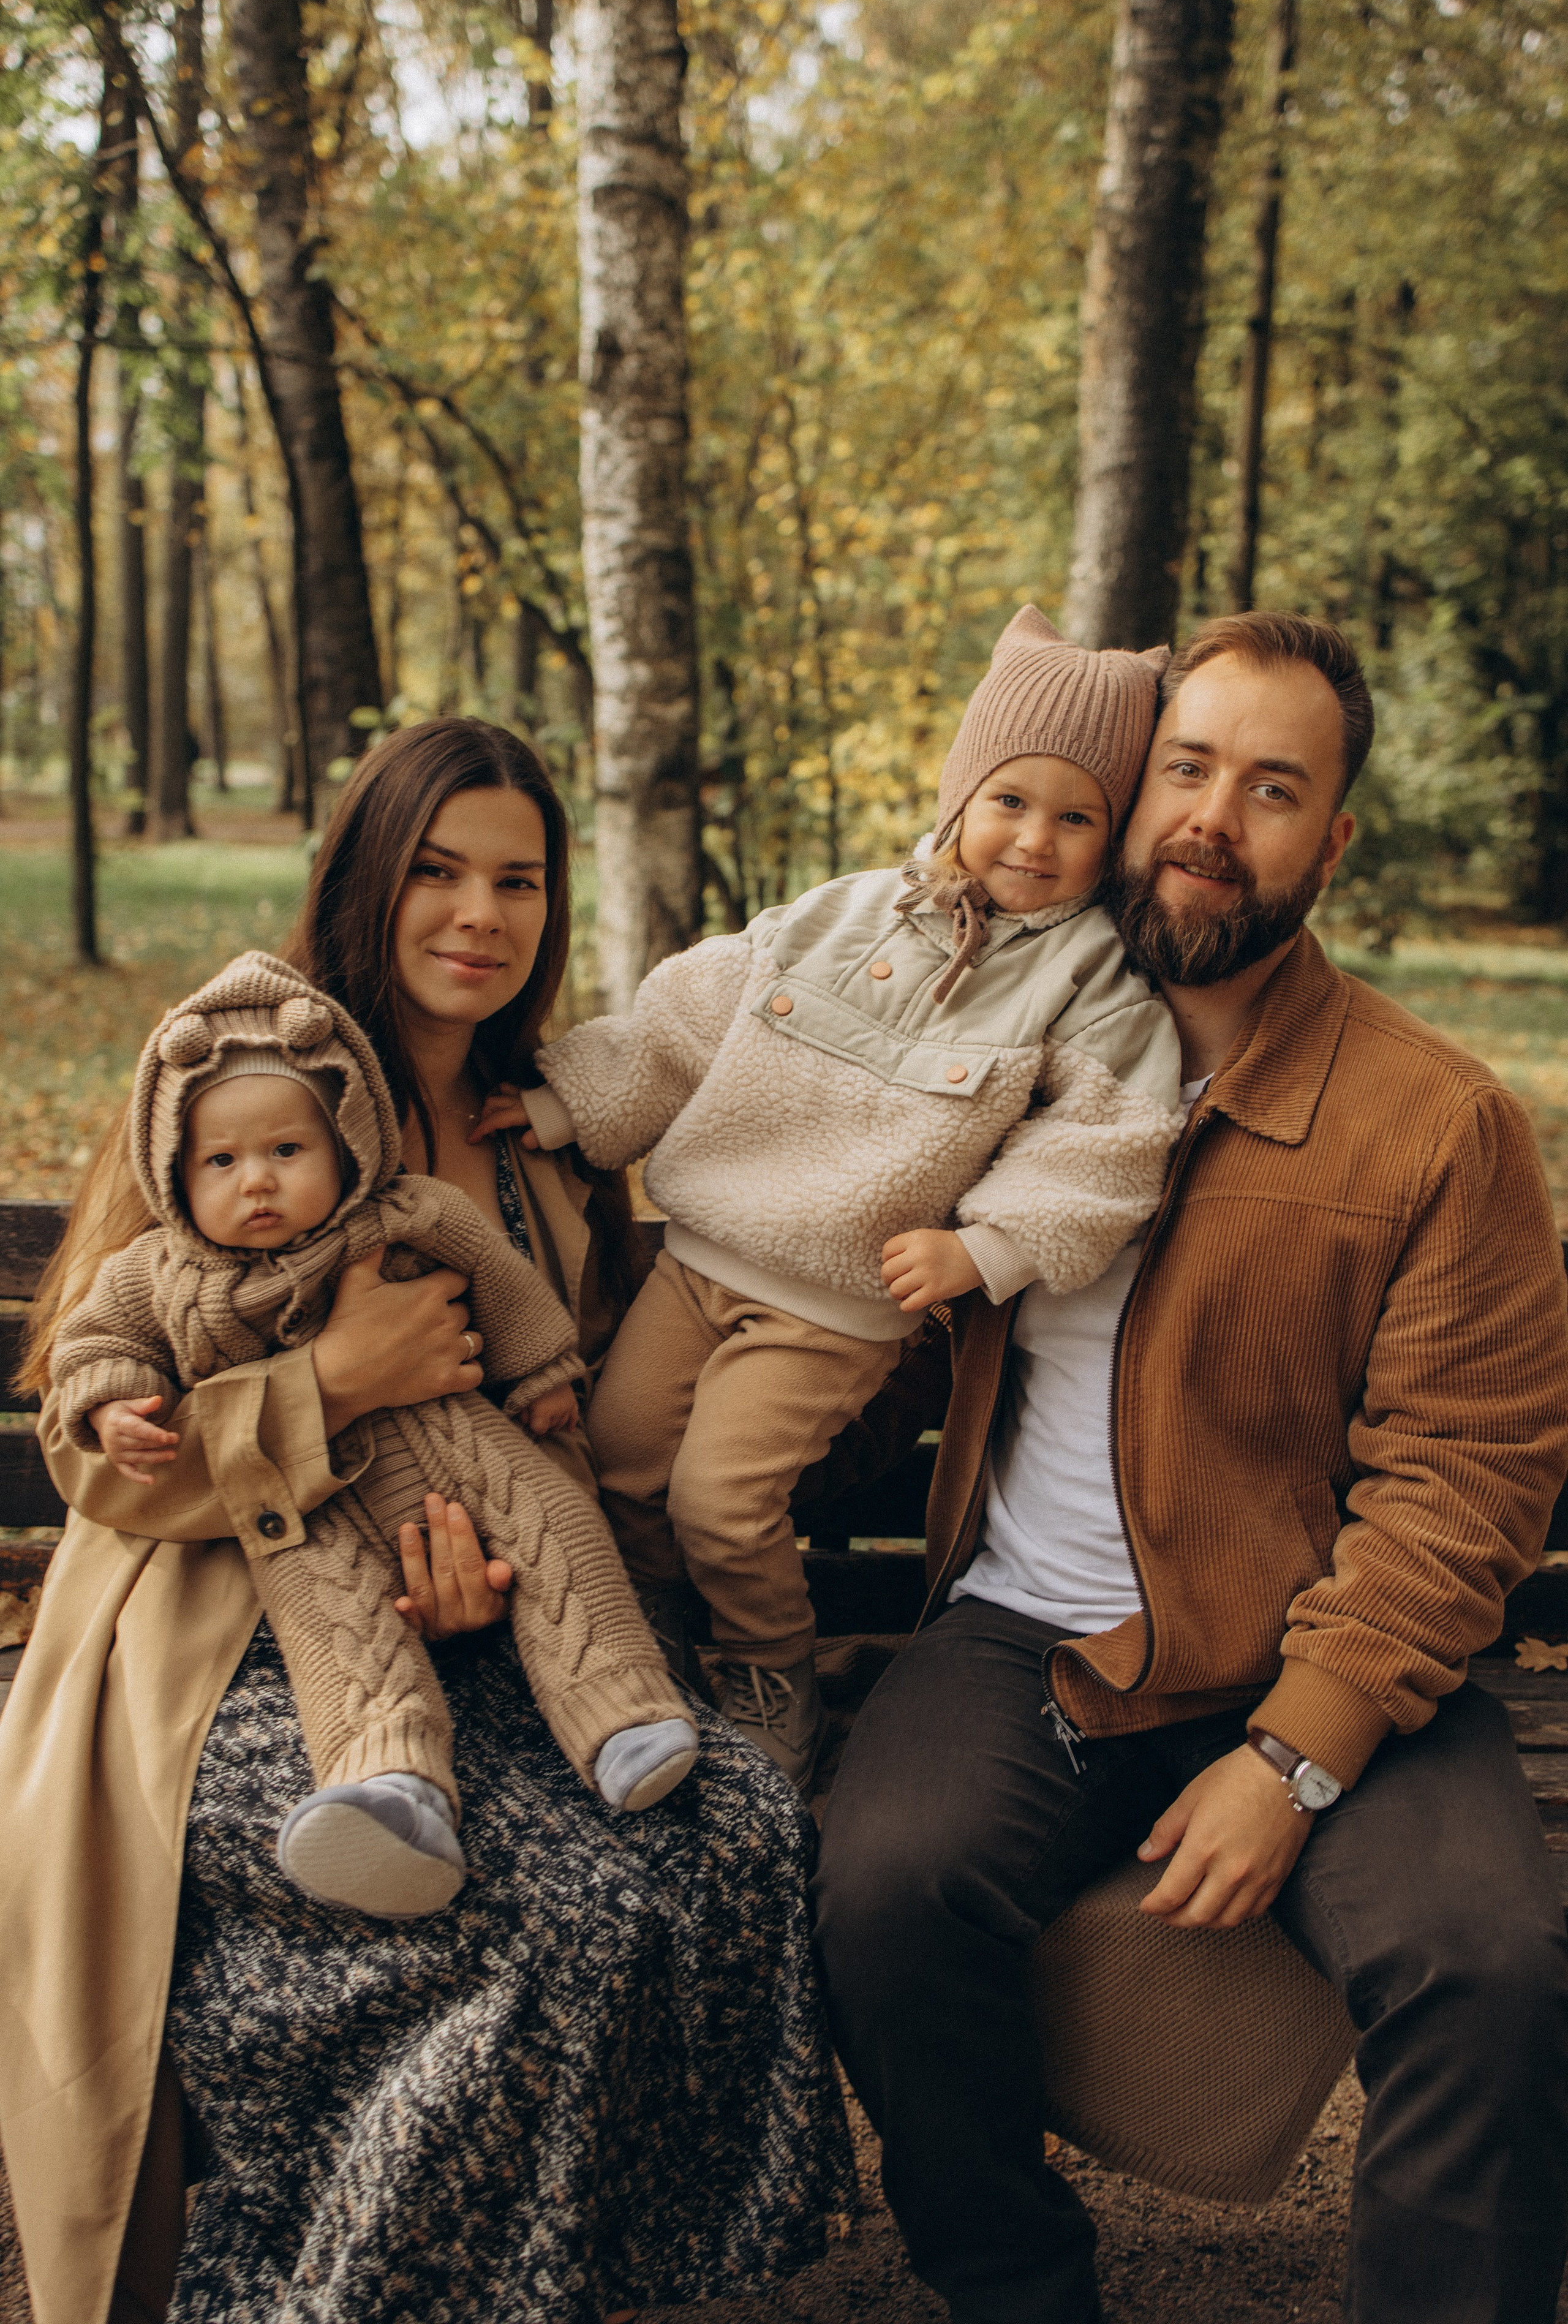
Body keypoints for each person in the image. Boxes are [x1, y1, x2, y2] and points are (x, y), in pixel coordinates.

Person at [0, 720, 854, 2324]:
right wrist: (329, 1380)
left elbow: (556, 1422)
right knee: (542, 1934)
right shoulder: (244, 1080)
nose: (480, 913)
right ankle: (314, 2284)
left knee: (730, 1832)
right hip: (220, 1666)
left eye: (517, 880)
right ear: (367, 882)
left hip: (486, 1651)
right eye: (438, 872)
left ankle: (547, 2272)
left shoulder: (553, 1140)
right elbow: (103, 1455)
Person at [813, 611, 1568, 2324]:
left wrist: (1295, 1757)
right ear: (1126, 786)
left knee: (1489, 1973)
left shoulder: (1434, 1120)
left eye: (1277, 789)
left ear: (1334, 841)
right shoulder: (986, 1058)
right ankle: (1020, 2292)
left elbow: (1468, 1474)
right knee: (883, 1888)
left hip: (1327, 1650)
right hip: (1024, 1640)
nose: (1218, 818)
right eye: (1190, 767)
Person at [489, 609, 1186, 1787]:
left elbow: (1109, 1136)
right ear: (963, 793)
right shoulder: (844, 915)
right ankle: (656, 1645)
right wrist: (566, 1109)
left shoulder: (1090, 980)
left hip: (838, 1305)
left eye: (1079, 818)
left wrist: (990, 1250)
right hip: (702, 1260)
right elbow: (686, 1023)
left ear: (1112, 838)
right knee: (615, 1461)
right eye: (1011, 800)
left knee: (720, 1499)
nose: (1034, 839)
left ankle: (772, 1673)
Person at [53, 949, 698, 1920]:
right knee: (335, 1623)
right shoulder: (161, 1271)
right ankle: (391, 1786)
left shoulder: (427, 1202)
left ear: (349, 1141)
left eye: (286, 1154)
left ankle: (622, 1709)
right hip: (288, 1520)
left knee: (554, 1527)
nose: (256, 1183)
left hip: (457, 1457)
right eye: (221, 1163)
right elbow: (96, 1347)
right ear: (174, 1169)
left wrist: (545, 1375)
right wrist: (113, 1405)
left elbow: (503, 1285)